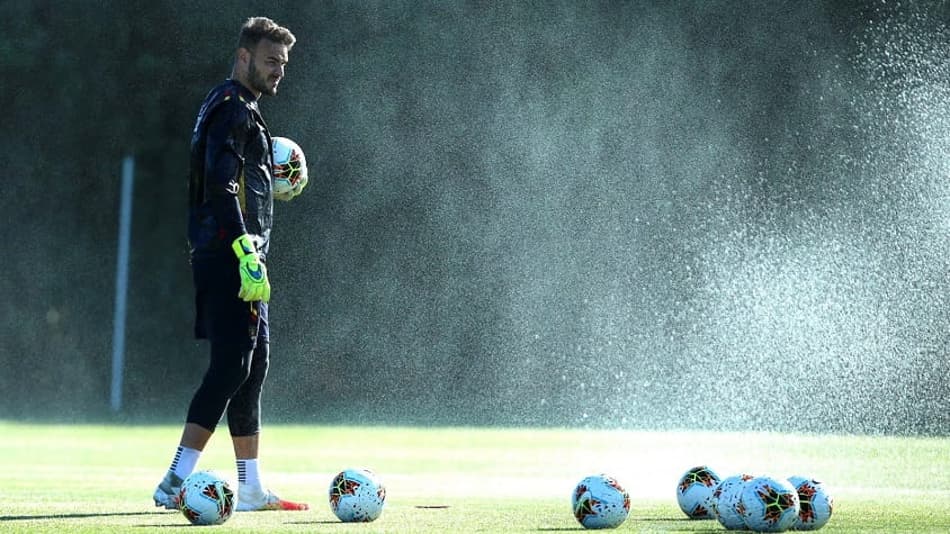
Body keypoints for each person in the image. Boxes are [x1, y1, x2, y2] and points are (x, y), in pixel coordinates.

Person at [153, 16, 307, 512]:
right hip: (230, 256)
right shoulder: (234, 110)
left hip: (237, 255)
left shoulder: (231, 106)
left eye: (282, 63)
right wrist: (244, 250)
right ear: (244, 58)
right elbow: (221, 186)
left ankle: (252, 488)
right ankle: (175, 480)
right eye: (269, 61)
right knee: (230, 366)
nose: (278, 71)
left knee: (252, 367)